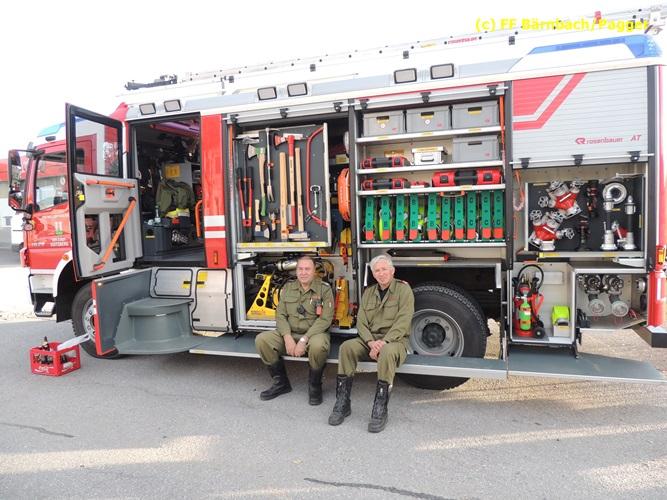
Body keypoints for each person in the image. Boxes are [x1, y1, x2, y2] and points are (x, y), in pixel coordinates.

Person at [328, 254, 414, 432]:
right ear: (373, 274)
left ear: (392, 271)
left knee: (387, 352)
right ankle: (343, 402)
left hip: (395, 341)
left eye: (384, 269)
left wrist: (383, 342)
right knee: (346, 348)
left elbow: (403, 321)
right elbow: (361, 321)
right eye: (377, 271)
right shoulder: (369, 293)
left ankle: (380, 408)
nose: (381, 273)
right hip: (370, 340)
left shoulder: (403, 290)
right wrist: (370, 342)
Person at [255, 255, 334, 405]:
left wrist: (304, 340)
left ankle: (315, 386)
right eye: (300, 269)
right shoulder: (288, 288)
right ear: (296, 271)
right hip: (290, 333)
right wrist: (287, 337)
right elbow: (280, 315)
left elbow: (325, 319)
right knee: (262, 340)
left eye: (307, 269)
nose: (303, 272)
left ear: (314, 271)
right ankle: (281, 383)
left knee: (319, 347)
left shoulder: (324, 289)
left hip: (314, 334)